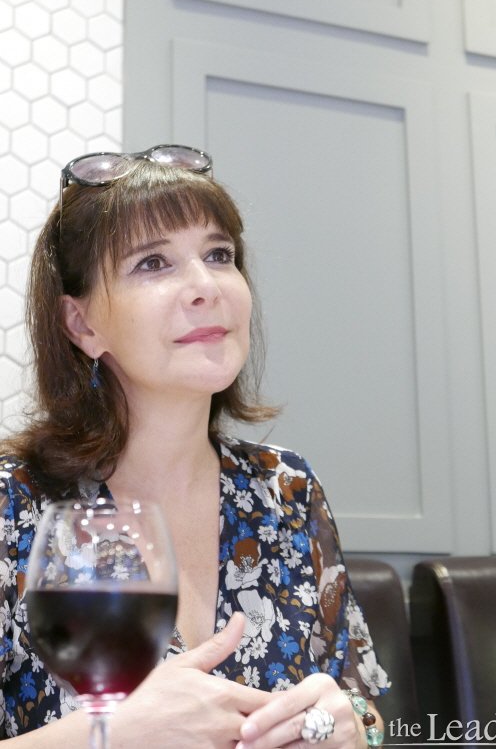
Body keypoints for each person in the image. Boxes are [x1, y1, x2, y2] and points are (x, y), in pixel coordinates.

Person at [0, 145, 389, 747]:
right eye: (153, 263)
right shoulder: (13, 503)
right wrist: (111, 734)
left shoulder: (286, 489)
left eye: (219, 255)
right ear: (82, 324)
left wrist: (352, 727)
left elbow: (363, 706)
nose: (205, 286)